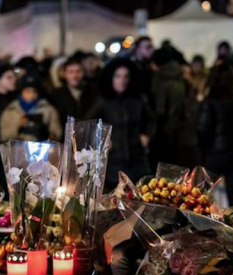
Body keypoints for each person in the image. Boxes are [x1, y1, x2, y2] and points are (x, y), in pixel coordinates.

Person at [87, 58, 155, 188]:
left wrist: (146, 135)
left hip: (137, 156)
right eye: (118, 76)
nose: (122, 80)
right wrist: (102, 138)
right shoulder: (104, 101)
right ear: (111, 78)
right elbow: (88, 124)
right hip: (113, 159)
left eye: (126, 76)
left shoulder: (138, 99)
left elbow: (151, 119)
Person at [197, 64, 233, 204]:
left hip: (215, 153)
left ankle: (199, 223)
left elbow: (203, 129)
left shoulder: (210, 102)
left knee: (202, 192)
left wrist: (203, 149)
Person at [0, 75, 62, 143]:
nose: (31, 95)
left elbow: (57, 134)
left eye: (34, 91)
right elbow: (3, 136)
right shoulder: (10, 110)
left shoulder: (49, 110)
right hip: (17, 150)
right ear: (21, 92)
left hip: (41, 149)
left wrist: (45, 131)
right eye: (27, 91)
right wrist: (18, 126)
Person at [50, 56, 97, 122]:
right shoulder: (56, 94)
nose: (75, 76)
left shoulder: (93, 93)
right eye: (70, 72)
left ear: (84, 73)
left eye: (78, 71)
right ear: (65, 74)